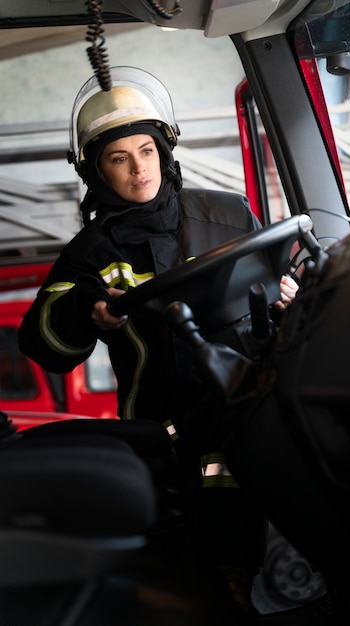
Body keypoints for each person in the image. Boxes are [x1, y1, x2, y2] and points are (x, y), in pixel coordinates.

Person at [18, 66, 299, 613]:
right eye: (118, 158)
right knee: (211, 533)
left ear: (164, 150)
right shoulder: (91, 254)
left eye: (145, 150)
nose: (137, 169)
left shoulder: (228, 212)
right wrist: (85, 312)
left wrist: (288, 291)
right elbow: (43, 344)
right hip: (169, 433)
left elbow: (279, 277)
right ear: (95, 171)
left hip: (257, 397)